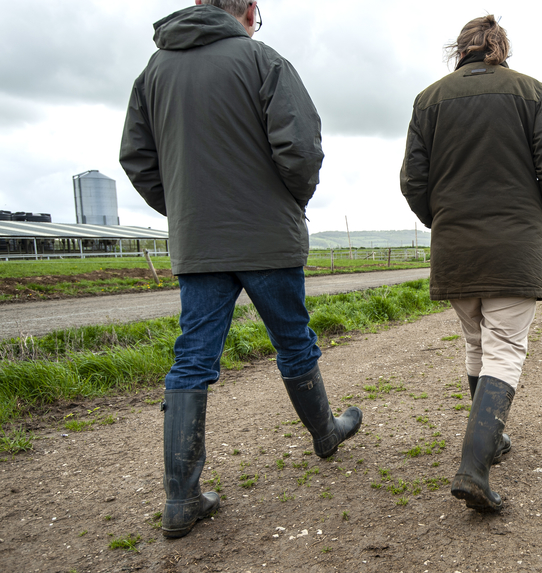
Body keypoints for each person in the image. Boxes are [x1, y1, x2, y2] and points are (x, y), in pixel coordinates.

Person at [120, 0, 362, 539]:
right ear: (249, 10)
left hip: (199, 240)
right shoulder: (262, 61)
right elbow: (301, 146)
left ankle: (181, 497)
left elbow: (137, 158)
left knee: (192, 359)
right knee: (294, 343)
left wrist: (185, 208)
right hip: (268, 238)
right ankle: (325, 433)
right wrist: (287, 201)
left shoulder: (151, 73)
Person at [400, 15, 542, 511]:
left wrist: (444, 220)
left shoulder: (428, 99)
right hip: (514, 243)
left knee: (477, 341)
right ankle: (473, 468)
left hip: (455, 245)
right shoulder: (531, 92)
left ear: (461, 49)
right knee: (504, 349)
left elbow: (414, 180)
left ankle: (491, 442)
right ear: (500, 47)